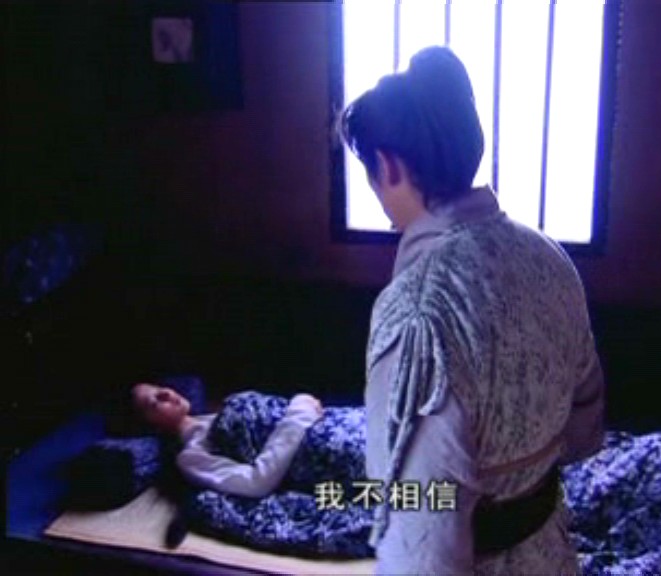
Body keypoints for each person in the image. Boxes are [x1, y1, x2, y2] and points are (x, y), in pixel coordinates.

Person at [339, 46, 605, 575]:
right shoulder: (548, 256)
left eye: (370, 172)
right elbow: (584, 429)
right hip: (549, 552)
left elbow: (421, 535)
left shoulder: (417, 310)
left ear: (388, 166)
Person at [131, 383, 324, 498]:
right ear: (153, 427)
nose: (165, 392)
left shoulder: (215, 414)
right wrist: (300, 413)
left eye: (158, 388)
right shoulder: (190, 457)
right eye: (153, 402)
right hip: (316, 450)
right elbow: (256, 482)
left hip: (319, 421)